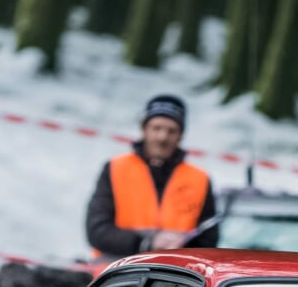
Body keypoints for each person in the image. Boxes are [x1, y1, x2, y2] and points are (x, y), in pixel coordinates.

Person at [85, 94, 219, 257]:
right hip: (116, 275)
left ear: (181, 135)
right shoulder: (114, 168)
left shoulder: (200, 179)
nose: (163, 137)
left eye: (172, 131)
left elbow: (209, 239)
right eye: (157, 128)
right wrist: (147, 243)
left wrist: (182, 244)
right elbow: (97, 230)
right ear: (144, 129)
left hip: (175, 276)